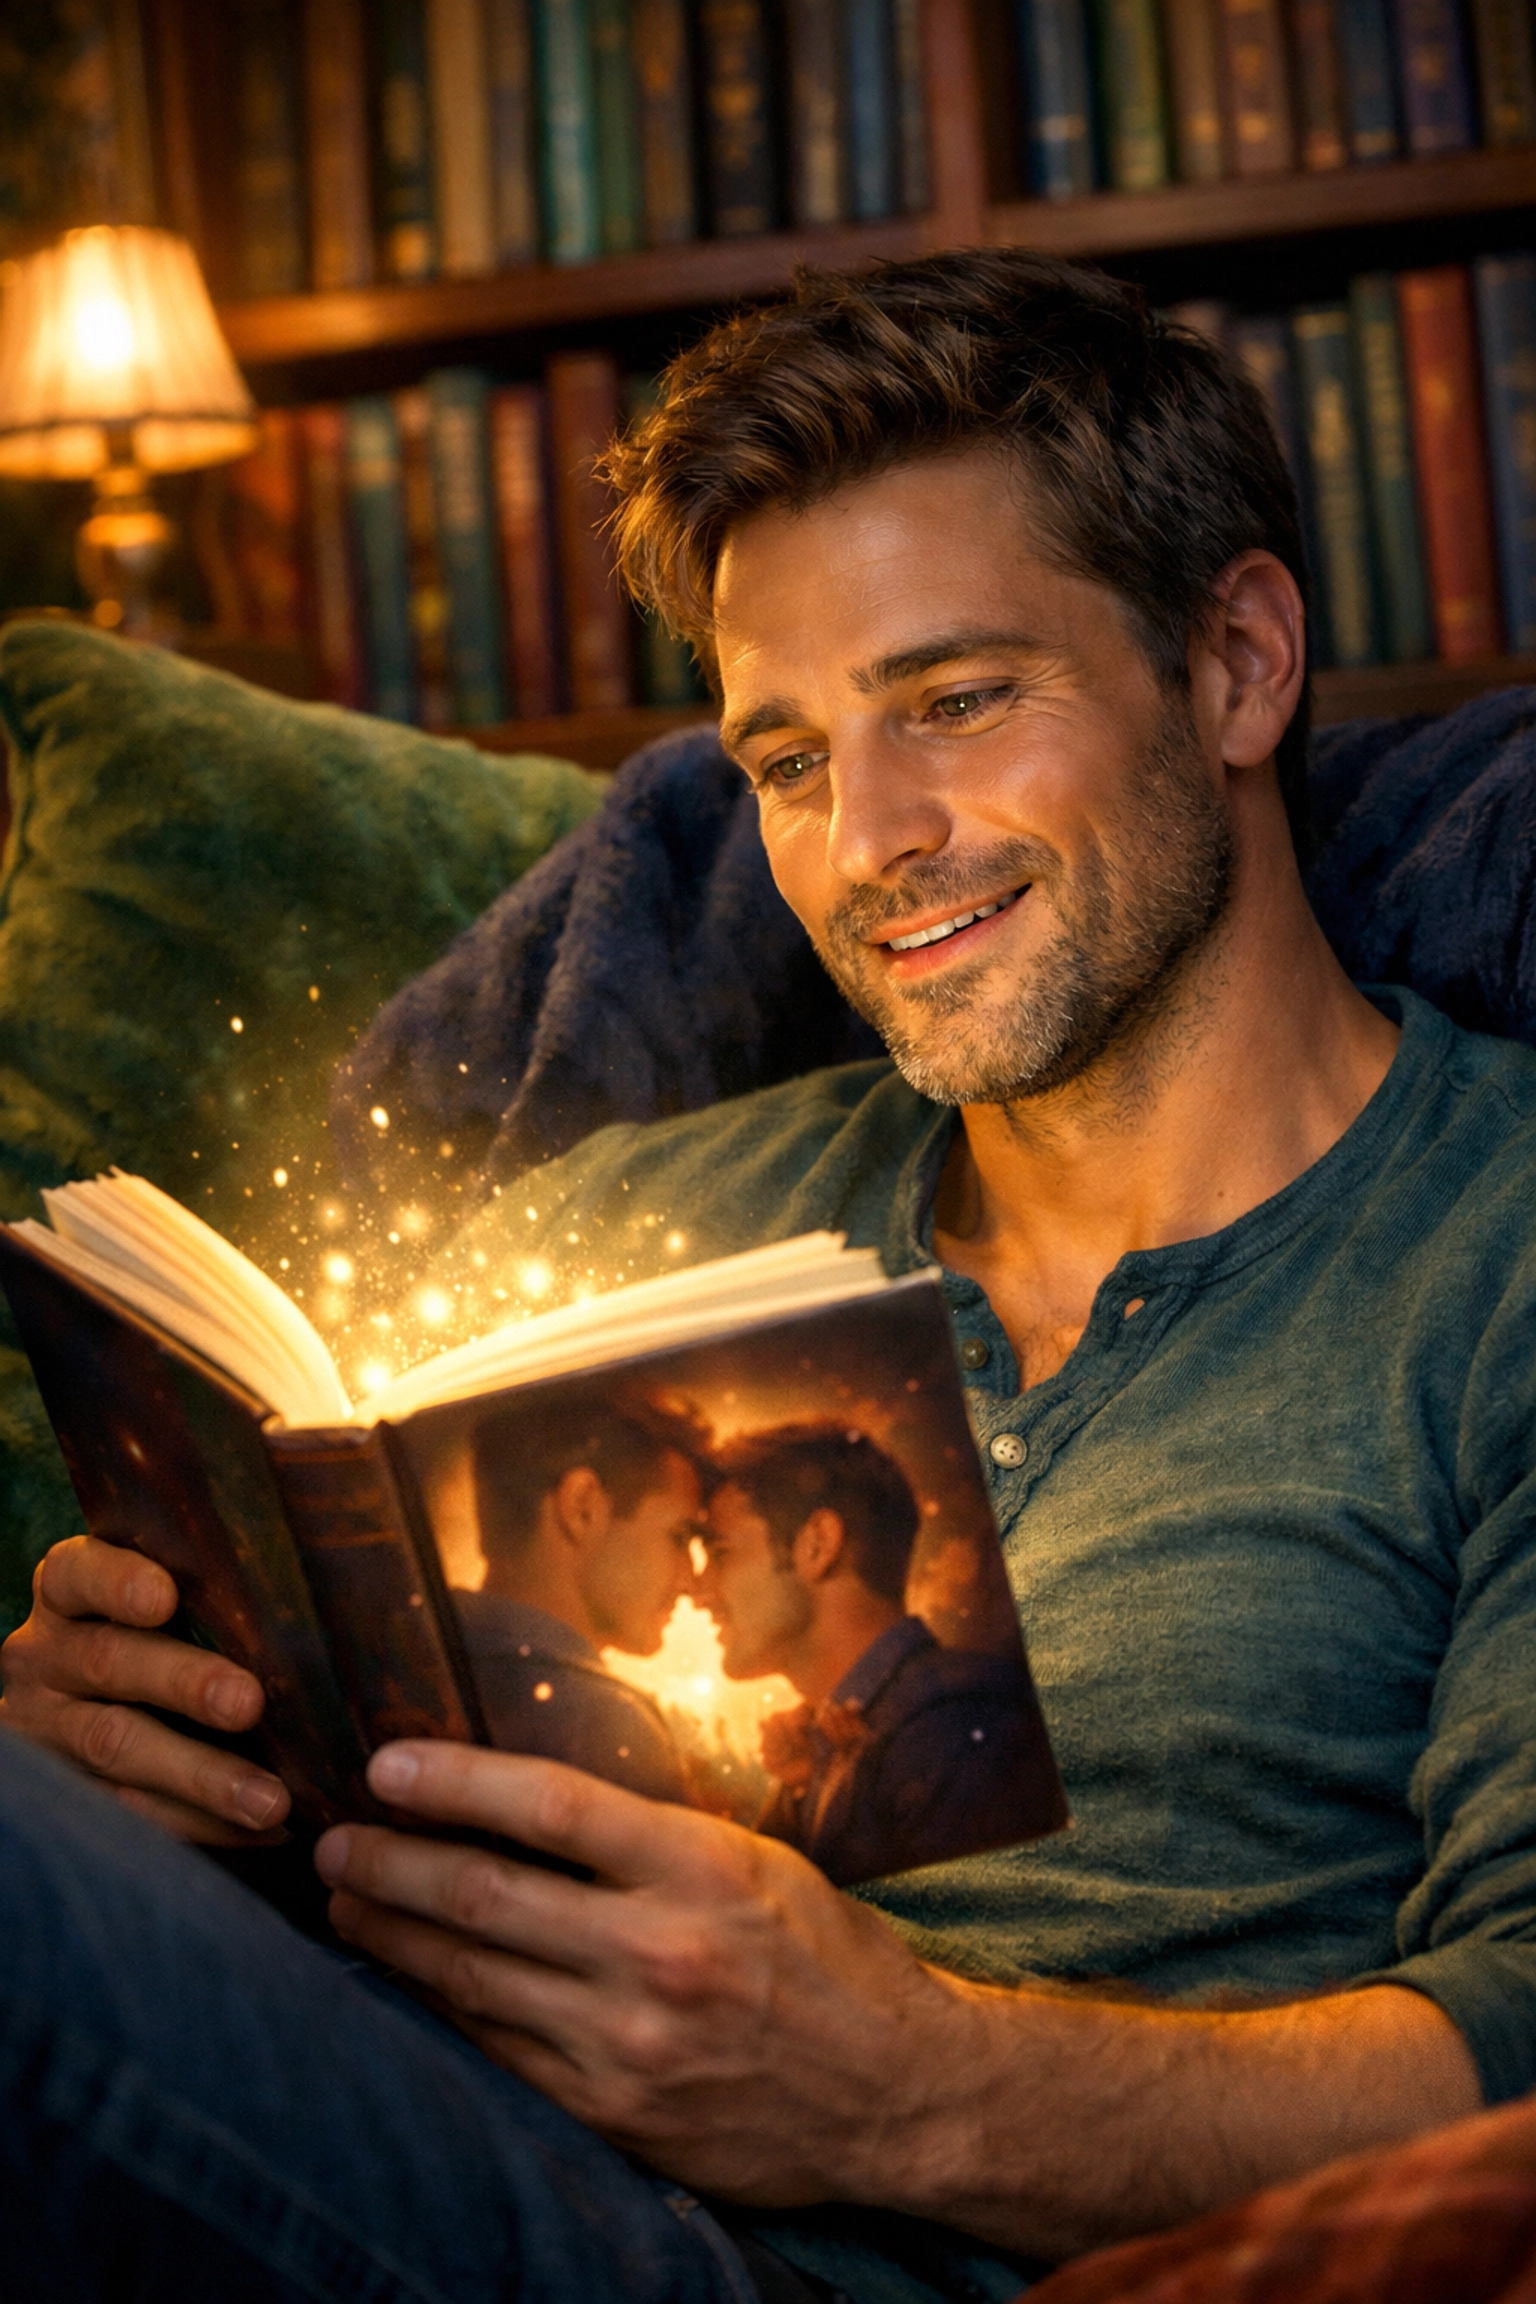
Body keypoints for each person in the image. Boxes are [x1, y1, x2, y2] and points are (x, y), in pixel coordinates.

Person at [3, 247, 1534, 2297]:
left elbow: (1518, 2050)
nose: (866, 841)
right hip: (408, 2137)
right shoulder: (633, 1226)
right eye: (790, 759)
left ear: (1239, 665)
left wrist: (901, 2088)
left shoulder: (1493, 1248)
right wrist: (121, 1750)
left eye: (957, 702)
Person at [699, 1420, 1041, 1884]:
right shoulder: (837, 1748)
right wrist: (803, 1797)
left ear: (817, 1545)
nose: (698, 1590)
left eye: (720, 1554)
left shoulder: (955, 1729)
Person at [455, 1395, 706, 1800]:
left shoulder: (413, 1661)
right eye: (678, 1537)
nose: (690, 1582)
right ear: (582, 1507)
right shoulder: (605, 1722)